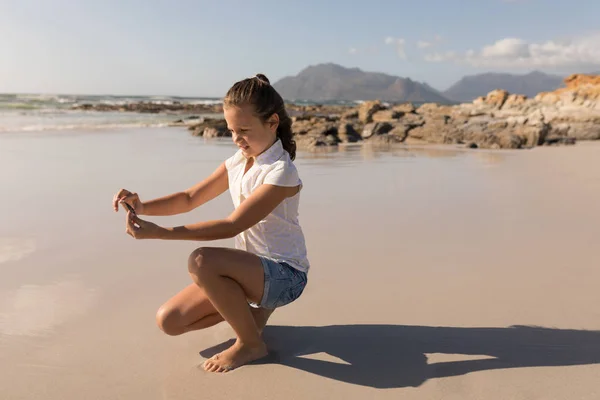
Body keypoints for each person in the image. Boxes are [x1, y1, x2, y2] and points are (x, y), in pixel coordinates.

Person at [111, 74, 309, 373]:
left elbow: (232, 226)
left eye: (244, 130)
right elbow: (190, 198)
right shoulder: (239, 161)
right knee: (170, 320)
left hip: (285, 275)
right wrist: (142, 206)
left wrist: (160, 234)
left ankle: (251, 344)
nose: (236, 138)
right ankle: (253, 314)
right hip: (249, 270)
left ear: (272, 123)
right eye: (231, 130)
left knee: (202, 261)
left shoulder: (281, 171)